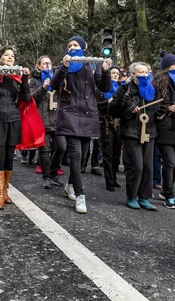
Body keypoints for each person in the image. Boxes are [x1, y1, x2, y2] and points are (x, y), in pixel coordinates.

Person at [51, 36, 111, 214]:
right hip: (69, 113)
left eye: (76, 45)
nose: (72, 47)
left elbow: (104, 87)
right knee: (75, 156)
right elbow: (54, 85)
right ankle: (80, 195)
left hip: (88, 114)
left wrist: (106, 71)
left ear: (83, 48)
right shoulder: (63, 65)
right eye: (69, 45)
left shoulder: (93, 65)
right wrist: (64, 68)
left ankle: (70, 184)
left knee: (84, 155)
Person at [0, 46, 31, 209]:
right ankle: (0, 195)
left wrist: (25, 80)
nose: (10, 58)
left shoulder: (17, 77)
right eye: (6, 55)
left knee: (9, 157)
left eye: (12, 56)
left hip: (13, 119)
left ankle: (5, 190)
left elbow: (26, 98)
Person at [108, 62, 158, 210]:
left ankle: (144, 197)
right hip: (131, 132)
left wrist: (161, 113)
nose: (144, 75)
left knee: (148, 167)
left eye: (146, 72)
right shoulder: (125, 89)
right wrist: (129, 110)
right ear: (133, 75)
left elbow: (158, 108)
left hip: (149, 132)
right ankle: (131, 196)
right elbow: (113, 109)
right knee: (137, 166)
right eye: (140, 72)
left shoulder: (153, 90)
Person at [153, 51, 175, 210]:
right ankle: (168, 194)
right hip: (165, 126)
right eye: (174, 65)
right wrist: (167, 108)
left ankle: (167, 191)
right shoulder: (157, 83)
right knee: (169, 162)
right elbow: (154, 105)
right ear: (166, 67)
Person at [29, 55, 66, 189]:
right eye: (44, 64)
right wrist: (43, 87)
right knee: (44, 150)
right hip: (42, 119)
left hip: (57, 119)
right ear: (38, 66)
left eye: (49, 63)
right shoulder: (34, 80)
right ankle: (46, 177)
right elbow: (31, 98)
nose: (47, 66)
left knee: (61, 147)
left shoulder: (57, 79)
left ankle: (54, 172)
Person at [96, 66, 123, 191]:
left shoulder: (121, 89)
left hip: (118, 123)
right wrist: (108, 102)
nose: (115, 75)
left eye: (117, 73)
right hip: (105, 122)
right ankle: (109, 181)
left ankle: (114, 178)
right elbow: (96, 106)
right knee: (108, 152)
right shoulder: (101, 89)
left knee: (117, 153)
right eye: (113, 73)